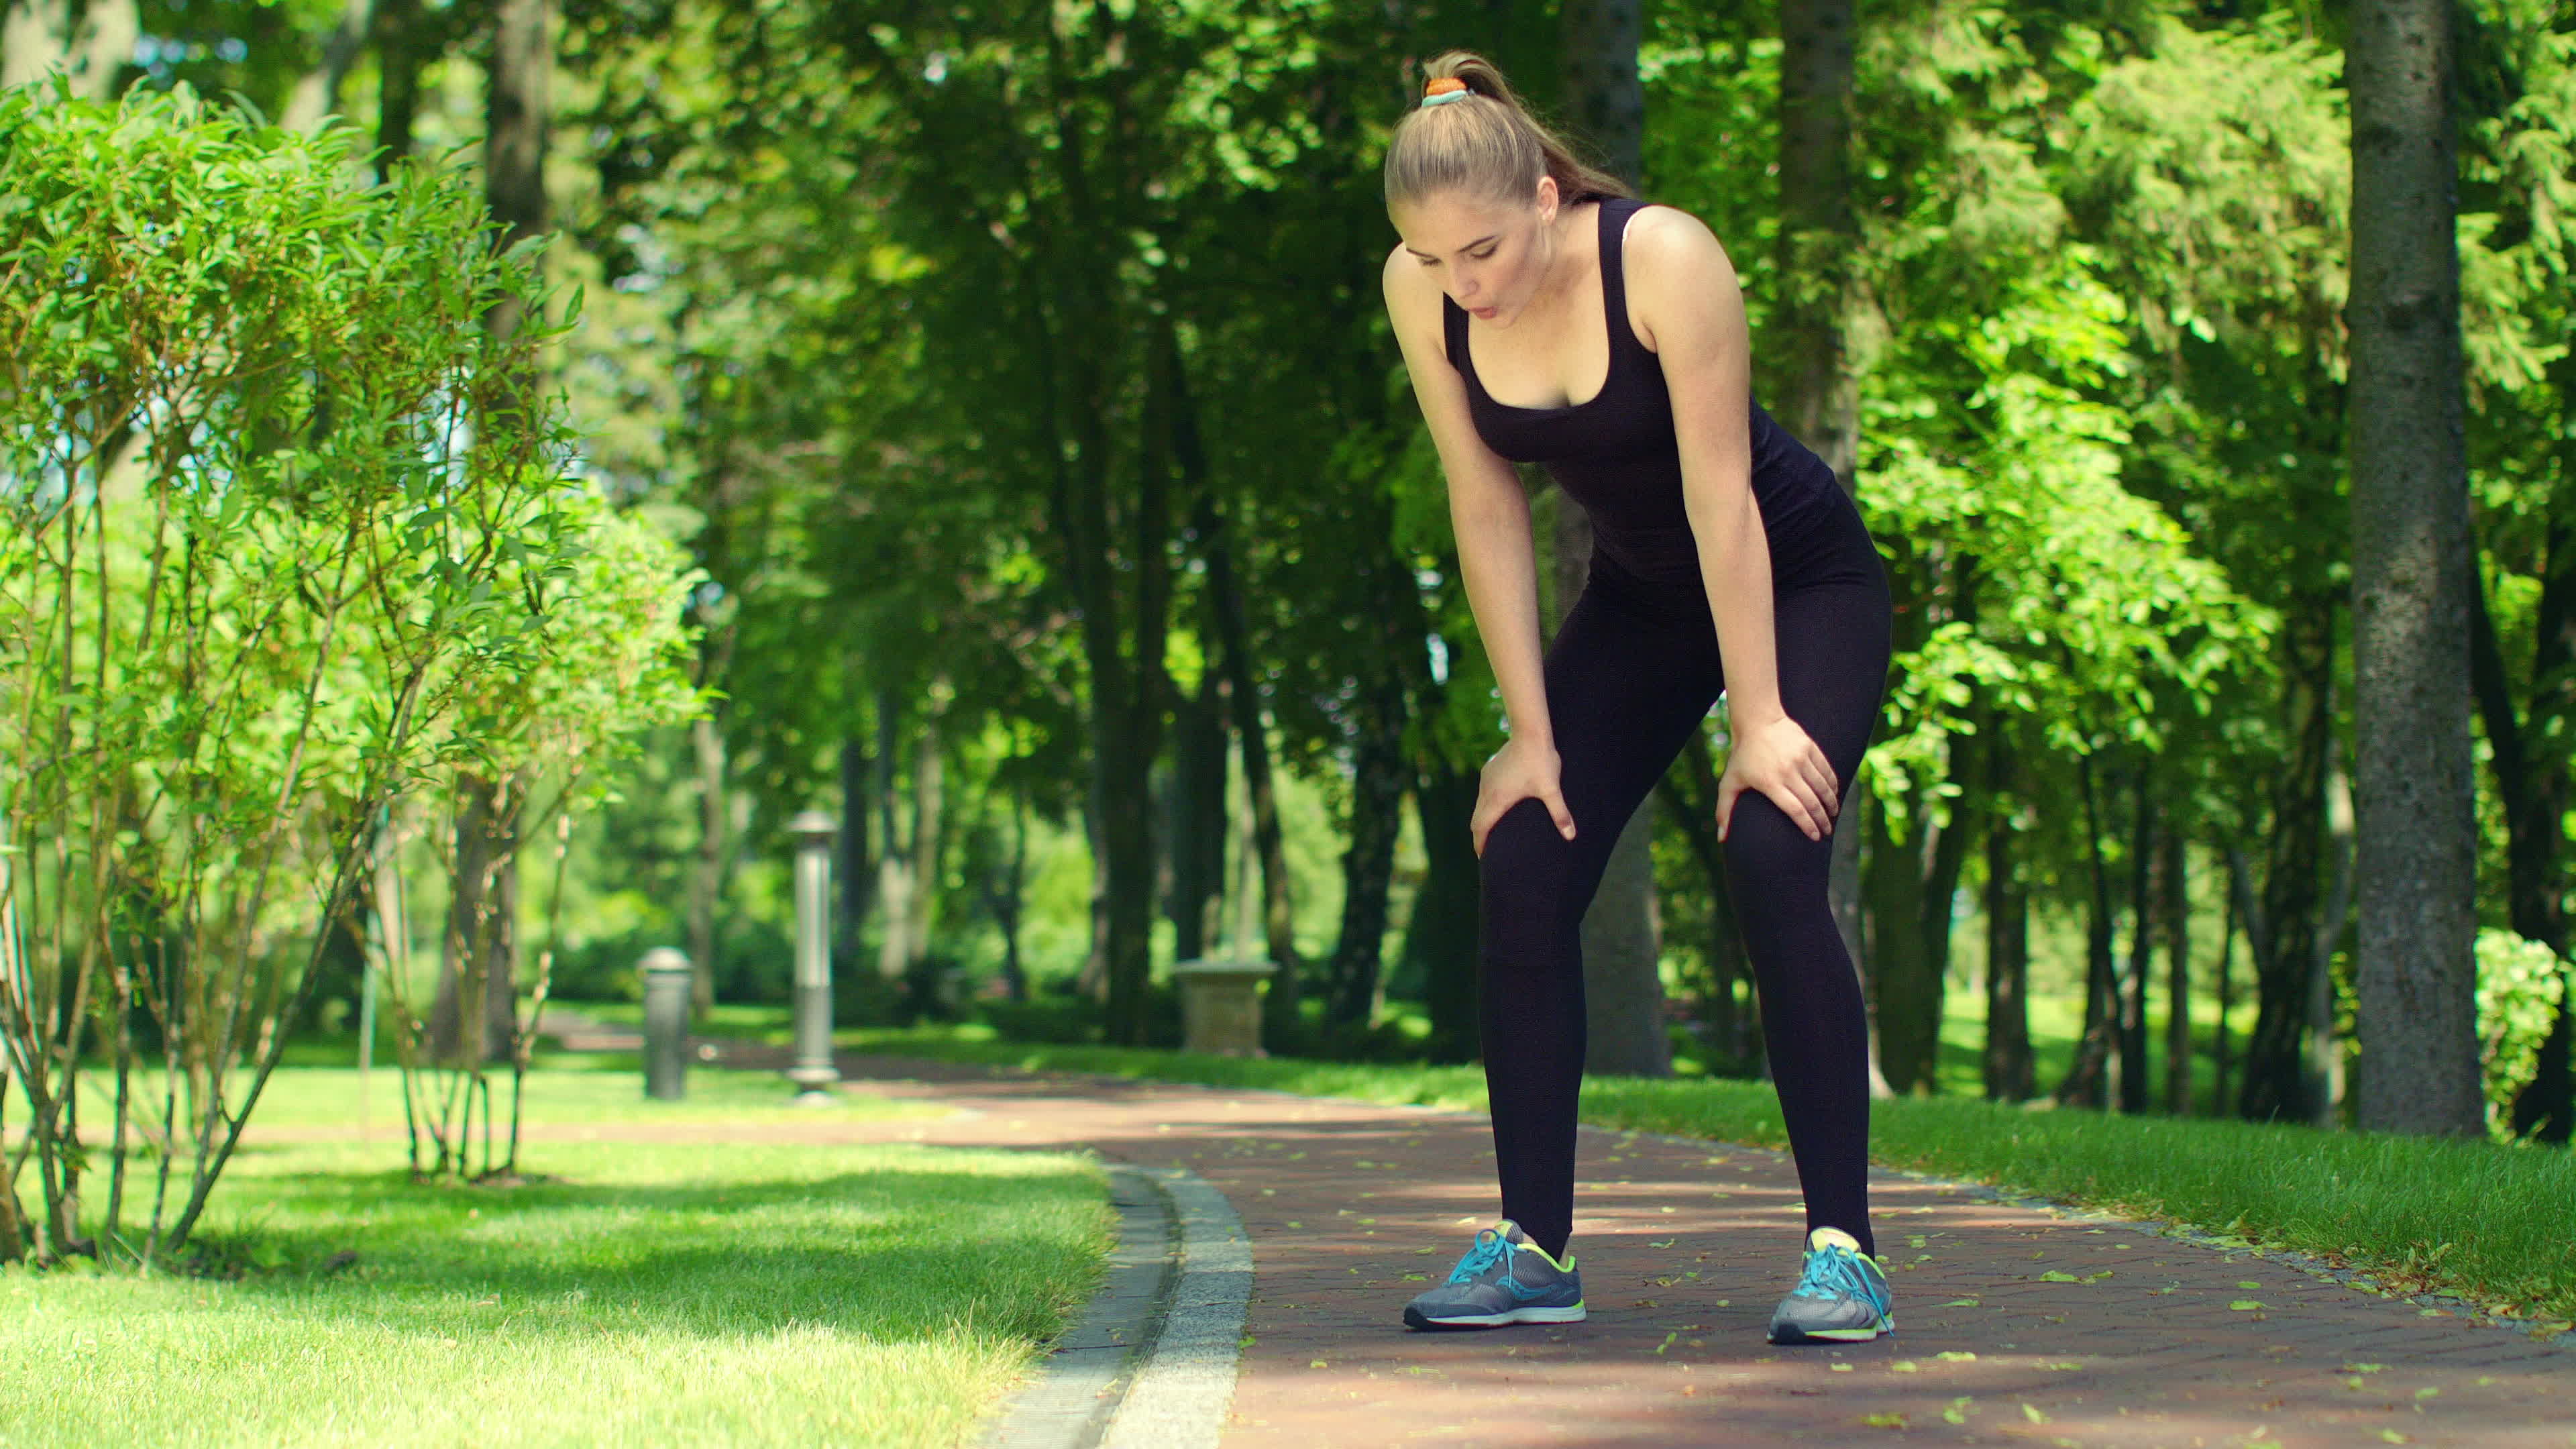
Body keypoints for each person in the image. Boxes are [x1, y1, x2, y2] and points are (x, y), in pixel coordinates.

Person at [1381, 53, 1896, 1346]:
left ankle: (1846, 1253)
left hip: (1798, 575)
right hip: (1642, 604)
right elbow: (1484, 502)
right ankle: (1535, 1249)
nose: (1466, 287)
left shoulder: (1661, 258)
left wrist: (1760, 717)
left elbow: (1726, 499)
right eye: (1437, 262)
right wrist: (1529, 739)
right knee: (1526, 855)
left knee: (1776, 848)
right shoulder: (1423, 295)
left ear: (1548, 196)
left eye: (1484, 253)